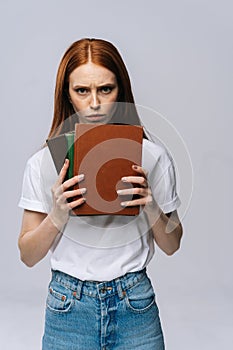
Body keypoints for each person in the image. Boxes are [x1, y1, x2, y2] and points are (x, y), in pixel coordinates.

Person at [18, 38, 183, 350]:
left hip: (134, 301)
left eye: (105, 89)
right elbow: (27, 255)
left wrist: (150, 207)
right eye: (82, 91)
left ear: (121, 90)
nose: (94, 103)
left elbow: (172, 244)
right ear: (67, 95)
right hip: (69, 307)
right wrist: (58, 214)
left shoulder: (153, 157)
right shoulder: (42, 163)